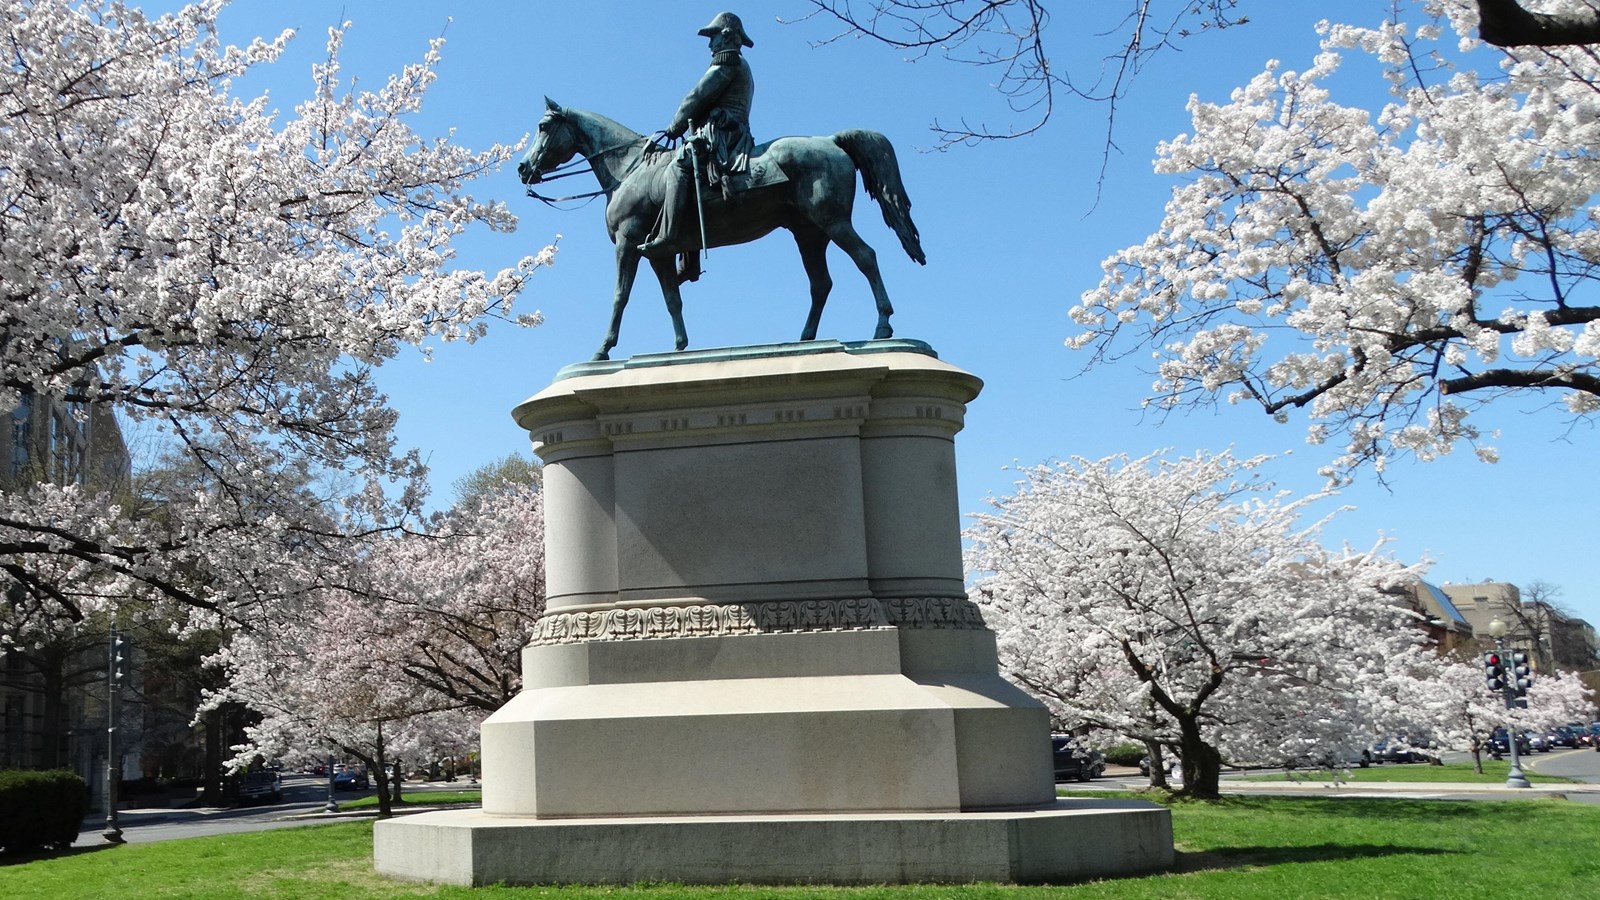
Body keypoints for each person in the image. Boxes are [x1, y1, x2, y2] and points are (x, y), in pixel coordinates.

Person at [638, 12, 756, 264]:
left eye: (712, 37)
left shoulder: (728, 61)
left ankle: (668, 237)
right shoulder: (737, 64)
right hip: (728, 130)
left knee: (680, 165)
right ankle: (688, 261)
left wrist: (673, 128)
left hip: (723, 133)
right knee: (693, 176)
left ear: (726, 37)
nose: (709, 44)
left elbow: (697, 96)